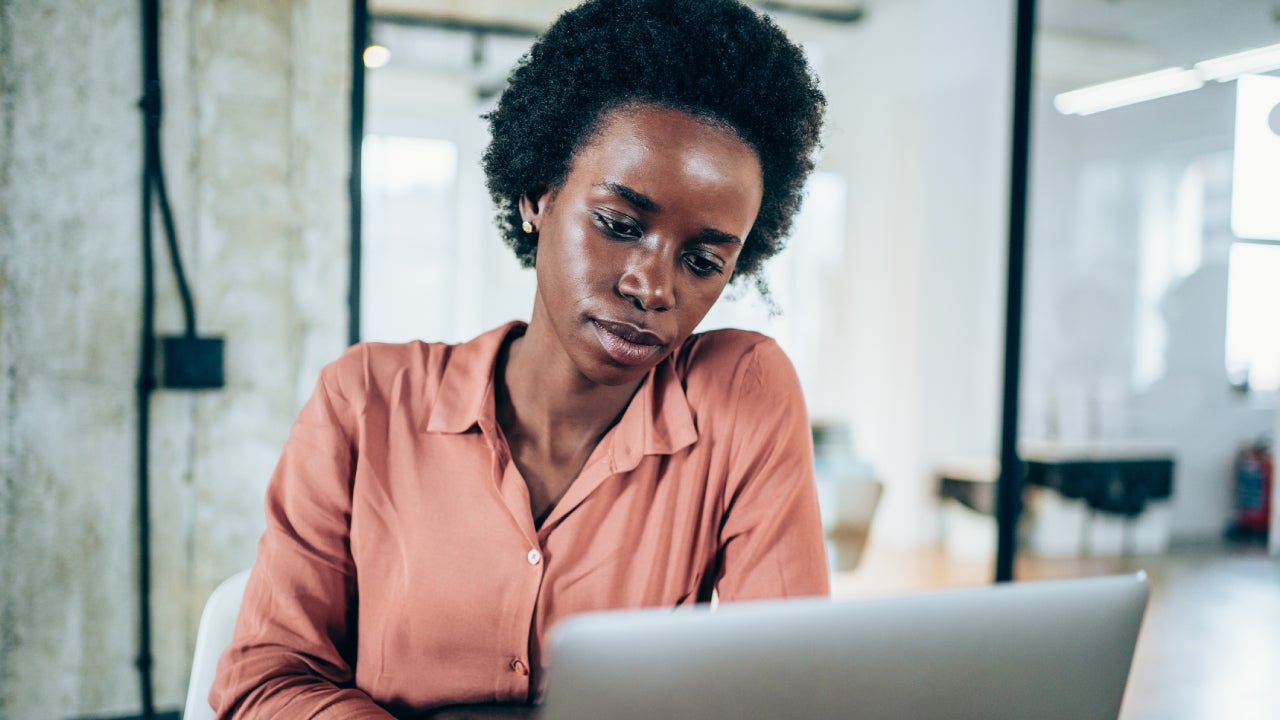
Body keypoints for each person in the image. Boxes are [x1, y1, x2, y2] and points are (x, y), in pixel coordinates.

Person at [210, 0, 829, 717]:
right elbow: (263, 684)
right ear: (537, 194)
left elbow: (790, 689)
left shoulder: (739, 395)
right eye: (619, 225)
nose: (652, 287)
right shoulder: (365, 402)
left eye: (702, 260)